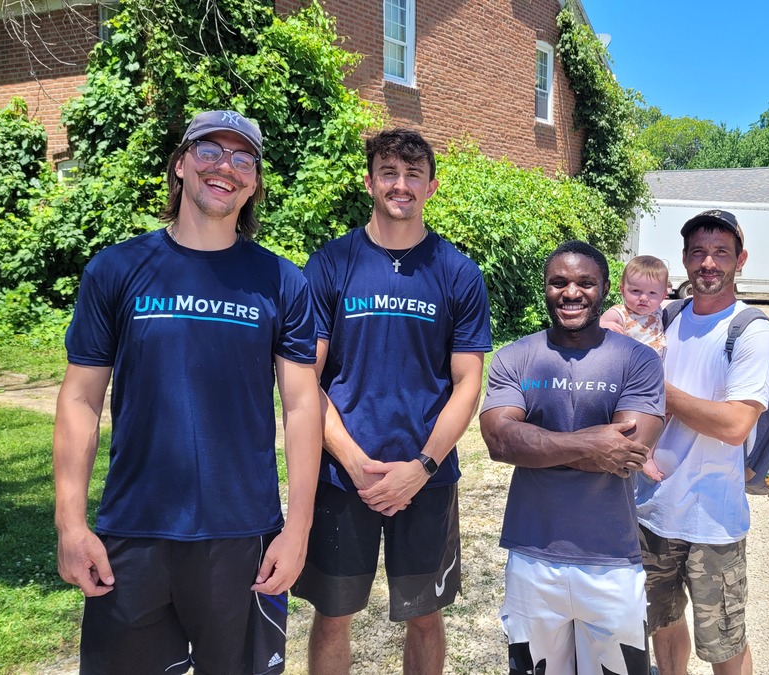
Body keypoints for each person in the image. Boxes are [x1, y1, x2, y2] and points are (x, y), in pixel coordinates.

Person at [53, 110, 323, 674]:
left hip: (243, 536)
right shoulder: (117, 269)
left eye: (243, 158)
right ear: (180, 165)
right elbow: (80, 399)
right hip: (134, 531)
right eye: (209, 151)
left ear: (254, 182)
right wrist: (71, 524)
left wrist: (297, 530)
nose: (226, 167)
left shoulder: (282, 281)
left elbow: (302, 408)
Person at [292, 128, 492, 674]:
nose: (400, 185)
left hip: (426, 479)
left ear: (431, 186)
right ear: (369, 182)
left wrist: (422, 467)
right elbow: (304, 379)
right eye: (389, 173)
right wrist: (353, 462)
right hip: (341, 476)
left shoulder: (457, 272)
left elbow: (468, 383)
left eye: (413, 175)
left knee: (425, 615)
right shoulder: (331, 264)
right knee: (333, 615)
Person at [481, 241, 666, 675]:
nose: (571, 292)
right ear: (545, 288)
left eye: (585, 282)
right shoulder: (516, 357)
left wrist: (537, 446)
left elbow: (626, 453)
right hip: (532, 556)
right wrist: (590, 445)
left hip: (612, 562)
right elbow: (499, 442)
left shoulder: (637, 360)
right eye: (558, 282)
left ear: (604, 288)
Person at [634, 209, 769, 675]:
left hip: (713, 521)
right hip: (653, 511)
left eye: (721, 252)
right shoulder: (667, 317)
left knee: (724, 643)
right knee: (664, 623)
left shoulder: (751, 331)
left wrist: (661, 390)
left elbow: (736, 425)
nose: (708, 263)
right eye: (698, 252)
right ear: (684, 259)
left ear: (741, 259)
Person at [601, 254, 671, 481]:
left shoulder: (659, 313)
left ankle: (647, 456)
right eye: (635, 291)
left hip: (652, 381)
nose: (643, 298)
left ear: (663, 295)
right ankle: (616, 455)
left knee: (657, 417)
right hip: (626, 379)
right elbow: (597, 324)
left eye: (652, 293)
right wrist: (605, 325)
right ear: (622, 289)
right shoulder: (620, 313)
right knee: (624, 419)